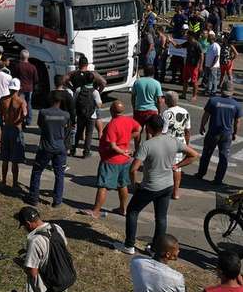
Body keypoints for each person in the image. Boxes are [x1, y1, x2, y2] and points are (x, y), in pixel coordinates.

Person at [113, 116, 198, 255]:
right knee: (161, 218)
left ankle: (129, 245)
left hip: (150, 186)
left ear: (149, 128)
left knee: (133, 211)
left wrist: (134, 184)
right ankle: (156, 249)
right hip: (168, 185)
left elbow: (133, 169)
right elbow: (194, 155)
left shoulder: (147, 145)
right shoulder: (173, 140)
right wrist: (177, 165)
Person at [85, 101, 141, 218]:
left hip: (111, 160)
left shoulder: (112, 124)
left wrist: (122, 150)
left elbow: (113, 146)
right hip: (124, 160)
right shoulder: (128, 120)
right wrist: (127, 139)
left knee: (103, 186)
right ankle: (123, 209)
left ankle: (96, 211)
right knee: (122, 184)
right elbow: (139, 128)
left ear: (111, 111)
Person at [26, 93, 71, 207]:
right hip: (60, 147)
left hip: (46, 146)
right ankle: (57, 200)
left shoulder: (43, 112)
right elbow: (67, 128)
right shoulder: (66, 115)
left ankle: (33, 198)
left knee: (37, 171)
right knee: (59, 174)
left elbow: (40, 125)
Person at [197, 81, 242, 185]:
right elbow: (237, 121)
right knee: (223, 157)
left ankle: (200, 174)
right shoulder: (236, 105)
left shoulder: (213, 101)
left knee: (206, 154)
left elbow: (206, 115)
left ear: (221, 90)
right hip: (226, 134)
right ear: (232, 92)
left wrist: (202, 126)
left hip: (213, 133)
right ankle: (218, 180)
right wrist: (235, 133)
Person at [161, 92, 191, 200]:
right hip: (180, 142)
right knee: (177, 168)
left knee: (165, 166)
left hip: (168, 143)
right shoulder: (185, 112)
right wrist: (186, 144)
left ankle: (163, 189)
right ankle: (175, 192)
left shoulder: (166, 113)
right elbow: (187, 130)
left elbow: (163, 131)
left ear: (168, 101)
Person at [0, 78, 27, 188]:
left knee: (5, 158)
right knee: (15, 160)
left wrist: (2, 126)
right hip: (16, 129)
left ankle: (4, 181)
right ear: (19, 88)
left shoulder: (3, 100)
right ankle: (15, 183)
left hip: (6, 128)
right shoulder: (21, 101)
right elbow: (24, 114)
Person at [132, 65, 165, 149]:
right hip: (152, 111)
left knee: (138, 130)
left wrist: (134, 108)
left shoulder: (137, 82)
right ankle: (148, 150)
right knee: (150, 132)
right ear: (153, 72)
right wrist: (159, 111)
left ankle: (137, 149)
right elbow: (159, 100)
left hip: (139, 110)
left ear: (144, 72)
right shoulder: (156, 83)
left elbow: (133, 97)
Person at [72, 76, 101, 158]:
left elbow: (74, 102)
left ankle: (73, 150)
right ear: (93, 81)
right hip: (91, 116)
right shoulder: (95, 92)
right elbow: (99, 105)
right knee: (89, 134)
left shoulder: (79, 89)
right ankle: (86, 153)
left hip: (80, 114)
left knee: (78, 133)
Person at [172, 32, 204, 101]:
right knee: (185, 80)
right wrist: (172, 41)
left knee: (194, 81)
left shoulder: (197, 44)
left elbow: (202, 55)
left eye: (187, 35)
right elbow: (177, 46)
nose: (186, 36)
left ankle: (194, 96)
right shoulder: (187, 43)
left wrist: (200, 66)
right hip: (187, 64)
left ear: (191, 36)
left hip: (194, 65)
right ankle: (183, 94)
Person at [11, 50, 39, 126]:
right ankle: (29, 121)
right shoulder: (32, 67)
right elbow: (36, 79)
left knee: (20, 104)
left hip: (20, 89)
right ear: (28, 57)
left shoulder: (17, 66)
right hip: (30, 89)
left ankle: (21, 119)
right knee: (29, 104)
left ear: (20, 56)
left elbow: (14, 77)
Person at [204, 31, 222, 96]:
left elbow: (217, 56)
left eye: (208, 37)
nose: (207, 39)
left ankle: (213, 91)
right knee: (209, 78)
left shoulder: (216, 46)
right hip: (208, 65)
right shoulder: (209, 45)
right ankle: (209, 89)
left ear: (211, 38)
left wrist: (212, 65)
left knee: (213, 78)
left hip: (213, 66)